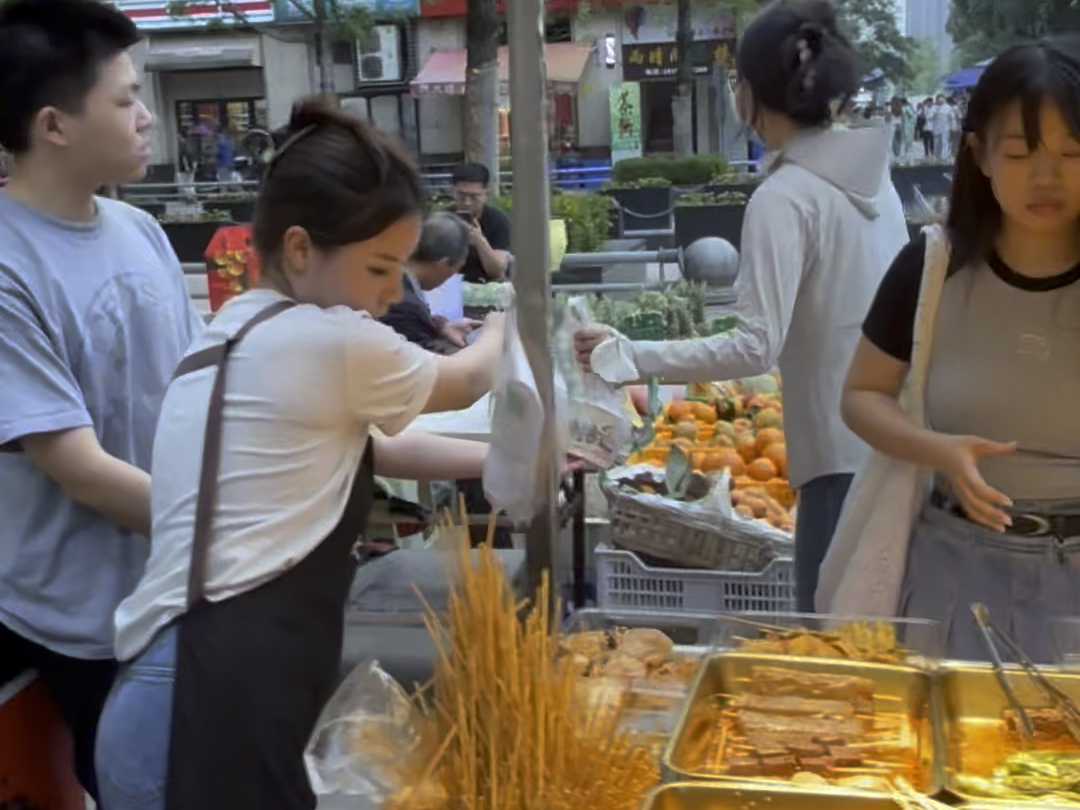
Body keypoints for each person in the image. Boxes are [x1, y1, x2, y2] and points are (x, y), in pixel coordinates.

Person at [95, 98, 506, 810]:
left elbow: (379, 445)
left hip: (163, 690)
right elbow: (467, 378)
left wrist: (501, 461)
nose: (388, 296)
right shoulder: (327, 340)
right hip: (205, 704)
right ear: (298, 249)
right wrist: (512, 315)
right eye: (379, 269)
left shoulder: (234, 330)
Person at [575, 0, 908, 611]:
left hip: (837, 458)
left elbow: (755, 344)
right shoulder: (875, 180)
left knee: (833, 646)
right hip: (892, 445)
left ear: (749, 93)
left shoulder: (785, 197)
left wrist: (629, 355)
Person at [0, 0, 203, 802]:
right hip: (82, 617)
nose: (148, 118)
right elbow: (77, 467)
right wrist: (226, 527)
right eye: (125, 99)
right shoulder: (8, 267)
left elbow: (198, 388)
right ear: (54, 125)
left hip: (170, 578)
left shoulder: (138, 230)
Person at [842, 37, 1080, 661]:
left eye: (1071, 152)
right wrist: (938, 451)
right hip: (957, 572)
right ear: (978, 154)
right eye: (1021, 152)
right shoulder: (930, 270)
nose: (1046, 176)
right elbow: (862, 395)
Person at [381, 211, 481, 353]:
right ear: (443, 263)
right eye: (452, 273)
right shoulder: (404, 306)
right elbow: (427, 368)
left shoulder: (388, 272)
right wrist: (493, 334)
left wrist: (441, 327)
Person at [452, 161, 512, 282]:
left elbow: (497, 271)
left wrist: (479, 240)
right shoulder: (444, 219)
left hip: (488, 286)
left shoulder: (498, 221)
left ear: (485, 194)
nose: (467, 203)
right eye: (461, 196)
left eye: (474, 197)